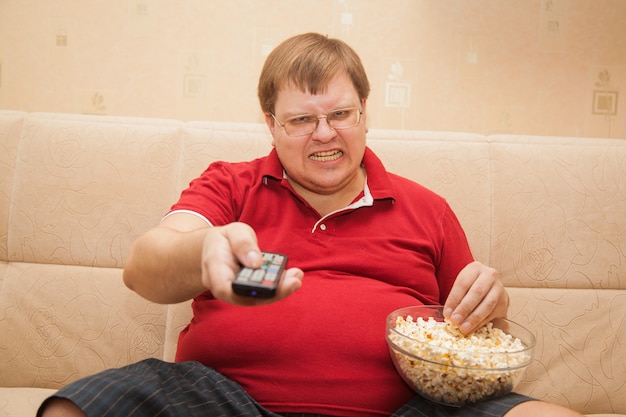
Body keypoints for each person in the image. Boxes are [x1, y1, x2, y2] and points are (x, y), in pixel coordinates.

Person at [39, 32, 583, 417]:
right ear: (271, 124)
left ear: (365, 112)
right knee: (71, 407)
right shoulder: (231, 184)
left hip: (409, 410)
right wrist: (203, 248)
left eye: (340, 115)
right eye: (301, 120)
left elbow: (480, 345)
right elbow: (144, 269)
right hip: (224, 398)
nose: (325, 134)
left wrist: (497, 310)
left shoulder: (429, 209)